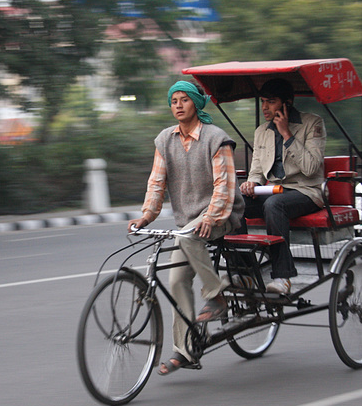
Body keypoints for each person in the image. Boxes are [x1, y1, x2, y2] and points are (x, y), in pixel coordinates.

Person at [128, 80, 245, 376]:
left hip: (220, 215)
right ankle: (186, 350)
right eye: (174, 100)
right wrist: (147, 216)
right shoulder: (164, 140)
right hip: (188, 222)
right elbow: (156, 183)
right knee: (176, 280)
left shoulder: (216, 139)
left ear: (196, 103)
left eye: (184, 100)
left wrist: (211, 217)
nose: (178, 105)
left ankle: (217, 296)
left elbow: (225, 187)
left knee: (191, 237)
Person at [239, 78, 326, 294]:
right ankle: (244, 271)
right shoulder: (262, 131)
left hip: (306, 192)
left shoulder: (312, 124)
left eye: (271, 101)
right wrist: (252, 183)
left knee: (274, 205)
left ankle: (282, 277)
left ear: (287, 103)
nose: (265, 108)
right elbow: (257, 168)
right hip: (273, 191)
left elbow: (311, 168)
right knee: (233, 203)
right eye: (263, 102)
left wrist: (287, 134)